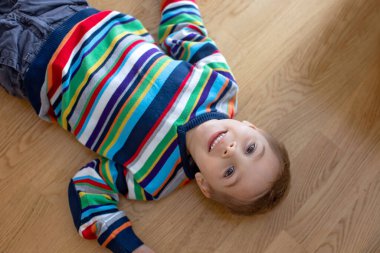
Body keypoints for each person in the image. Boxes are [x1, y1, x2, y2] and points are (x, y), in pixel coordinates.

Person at [0, 0, 291, 252]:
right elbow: (185, 31)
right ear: (250, 126)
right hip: (74, 14)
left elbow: (87, 187)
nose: (231, 150)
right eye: (251, 148)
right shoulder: (220, 85)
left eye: (229, 173)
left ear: (204, 184)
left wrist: (131, 246)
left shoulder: (153, 179)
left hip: (31, 65)